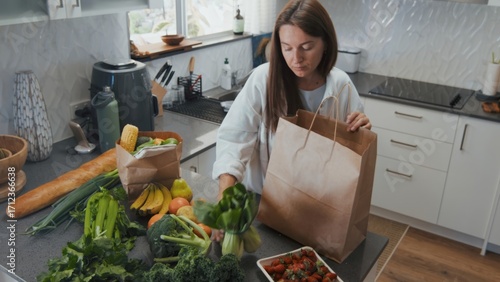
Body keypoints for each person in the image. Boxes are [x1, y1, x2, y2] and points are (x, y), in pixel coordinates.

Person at [212, 0, 371, 216]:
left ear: (325, 44)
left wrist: (361, 132)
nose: (296, 59)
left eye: (306, 47)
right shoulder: (263, 80)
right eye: (287, 48)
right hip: (265, 206)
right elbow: (234, 139)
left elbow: (352, 157)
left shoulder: (341, 86)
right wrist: (225, 193)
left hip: (319, 210)